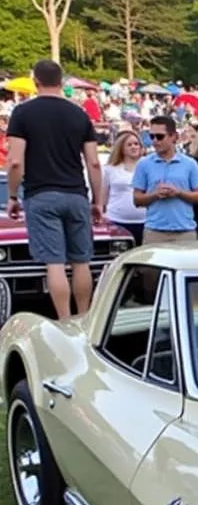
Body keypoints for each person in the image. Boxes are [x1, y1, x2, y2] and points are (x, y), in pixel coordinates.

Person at [5, 59, 103, 319]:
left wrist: (13, 196)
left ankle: (64, 319)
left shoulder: (22, 113)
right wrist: (97, 201)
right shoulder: (79, 114)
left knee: (55, 263)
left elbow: (15, 162)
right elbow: (94, 162)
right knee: (82, 261)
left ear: (35, 81)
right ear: (62, 81)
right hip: (76, 194)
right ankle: (84, 317)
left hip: (41, 194)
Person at [132, 115, 198, 244]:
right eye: (151, 136)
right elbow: (137, 199)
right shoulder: (144, 164)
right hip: (154, 231)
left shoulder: (190, 164)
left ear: (173, 137)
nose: (155, 141)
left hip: (184, 231)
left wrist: (178, 192)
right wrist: (155, 194)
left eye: (160, 136)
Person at [101, 130, 147, 246]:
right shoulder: (110, 169)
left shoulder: (148, 167)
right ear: (121, 148)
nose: (134, 147)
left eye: (136, 144)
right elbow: (103, 196)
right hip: (117, 221)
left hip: (145, 221)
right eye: (129, 144)